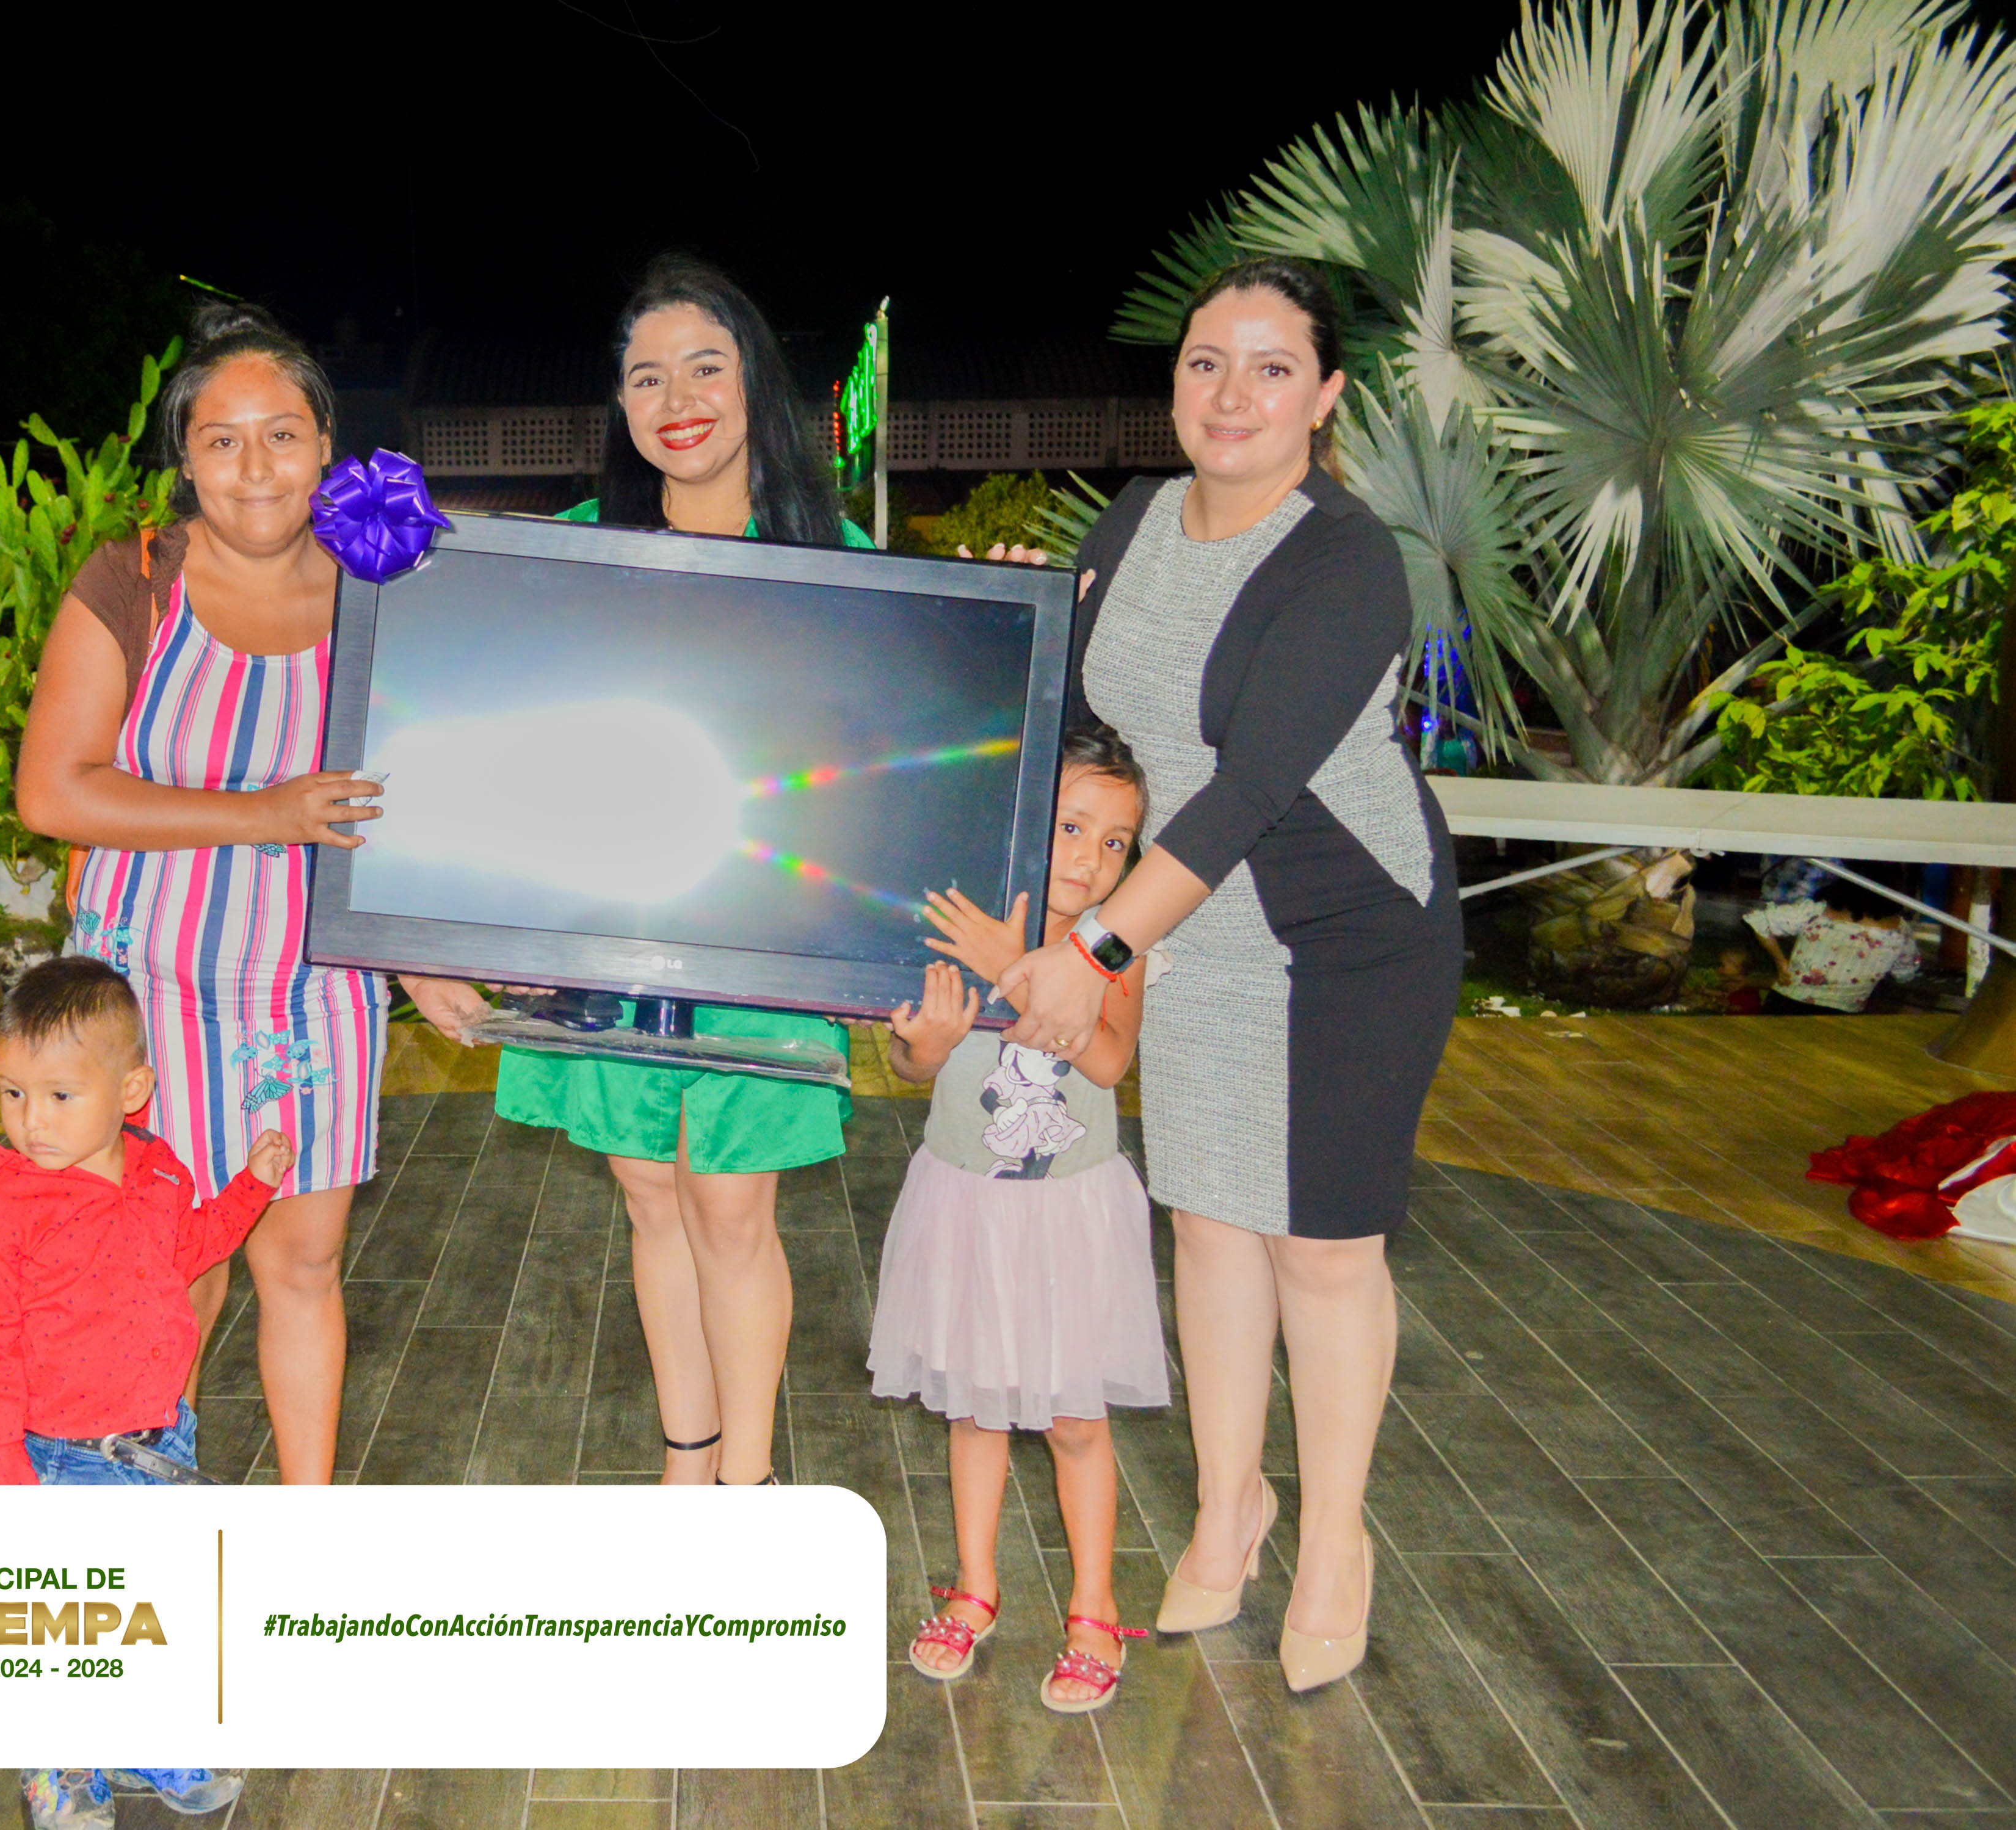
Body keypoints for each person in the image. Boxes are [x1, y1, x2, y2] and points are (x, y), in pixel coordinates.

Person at [993, 259, 1462, 1694]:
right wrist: (1022, 618)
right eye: (1205, 362)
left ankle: (1332, 1542)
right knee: (1204, 1224)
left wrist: (1093, 950)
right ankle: (1226, 1508)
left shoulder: (1344, 558)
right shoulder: (1131, 519)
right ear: (1174, 382)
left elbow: (1249, 783)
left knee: (1318, 1247)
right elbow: (1085, 721)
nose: (1231, 393)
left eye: (1271, 368)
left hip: (1342, 929)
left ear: (1323, 396)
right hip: (1185, 923)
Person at [400, 256, 869, 1487]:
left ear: (753, 382)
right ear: (619, 405)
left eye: (705, 367)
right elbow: (444, 700)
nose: (678, 399)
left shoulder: (835, 556)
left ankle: (748, 1486)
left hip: (765, 935)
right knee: (651, 1195)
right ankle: (687, 1463)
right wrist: (417, 932)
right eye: (646, 377)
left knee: (730, 1204)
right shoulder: (569, 553)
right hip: (603, 931)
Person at [15, 303, 386, 1485]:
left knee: (302, 1265)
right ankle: (150, 1508)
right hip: (149, 994)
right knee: (169, 1268)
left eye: (282, 434)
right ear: (185, 457)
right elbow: (52, 790)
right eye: (222, 440)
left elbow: (416, 784)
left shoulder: (382, 587)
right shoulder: (134, 579)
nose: (254, 465)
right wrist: (262, 814)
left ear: (324, 444)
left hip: (314, 991)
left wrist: (426, 950)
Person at [868, 727, 1172, 1713]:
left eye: (1116, 841)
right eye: (1071, 827)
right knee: (977, 1406)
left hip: (1069, 1213)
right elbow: (910, 1062)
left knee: (1076, 1418)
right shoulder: (965, 919)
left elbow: (1109, 1058)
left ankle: (1094, 1608)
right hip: (965, 1203)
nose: (1090, 859)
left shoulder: (1115, 940)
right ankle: (974, 1585)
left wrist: (1020, 966)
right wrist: (924, 1045)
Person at [0, 957, 266, 1826]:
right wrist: (5, 1478)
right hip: (62, 1458)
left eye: (58, 1095)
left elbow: (185, 1252)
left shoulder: (159, 1175)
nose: (31, 1120)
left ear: (131, 1090)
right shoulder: (0, 1207)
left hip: (162, 1442)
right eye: (13, 1094)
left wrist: (251, 1189)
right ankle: (60, 1763)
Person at [1744, 877, 1922, 1013]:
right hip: (1844, 1014)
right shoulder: (1900, 930)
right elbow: (1904, 973)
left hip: (1786, 1004)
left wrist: (1781, 963)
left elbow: (1760, 921)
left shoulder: (1816, 913)